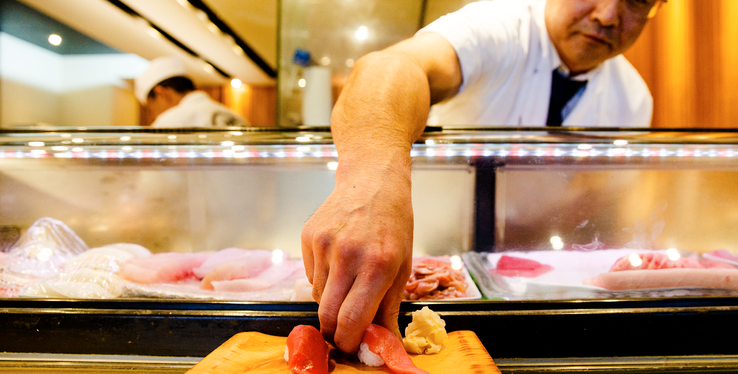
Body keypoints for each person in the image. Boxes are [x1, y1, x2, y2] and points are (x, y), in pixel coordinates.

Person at [300, 0, 664, 354]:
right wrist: (371, 188)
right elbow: (392, 66)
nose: (608, 15)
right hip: (412, 259)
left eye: (637, 1)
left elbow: (603, 214)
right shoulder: (500, 27)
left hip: (529, 290)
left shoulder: (633, 98)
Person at [134, 56, 247, 127]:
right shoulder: (236, 117)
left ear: (161, 93)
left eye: (150, 108)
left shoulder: (169, 123)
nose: (153, 115)